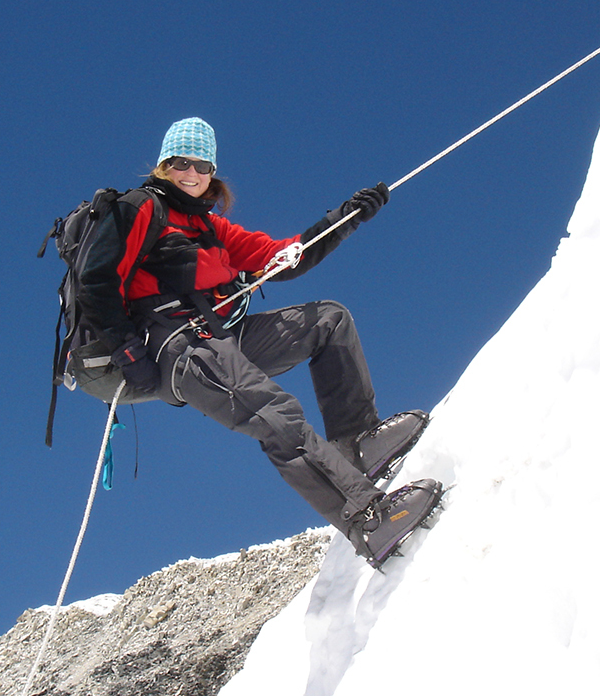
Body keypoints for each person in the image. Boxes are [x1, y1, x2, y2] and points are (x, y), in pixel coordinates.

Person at [77, 117, 440, 564]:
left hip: (225, 334)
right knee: (277, 416)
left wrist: (344, 219)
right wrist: (129, 352)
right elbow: (95, 281)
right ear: (162, 165)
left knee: (328, 320)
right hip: (180, 346)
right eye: (180, 162)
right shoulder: (140, 208)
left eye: (202, 165)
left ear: (213, 172)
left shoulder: (211, 227)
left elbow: (281, 259)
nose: (191, 173)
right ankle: (367, 520)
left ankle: (356, 445)